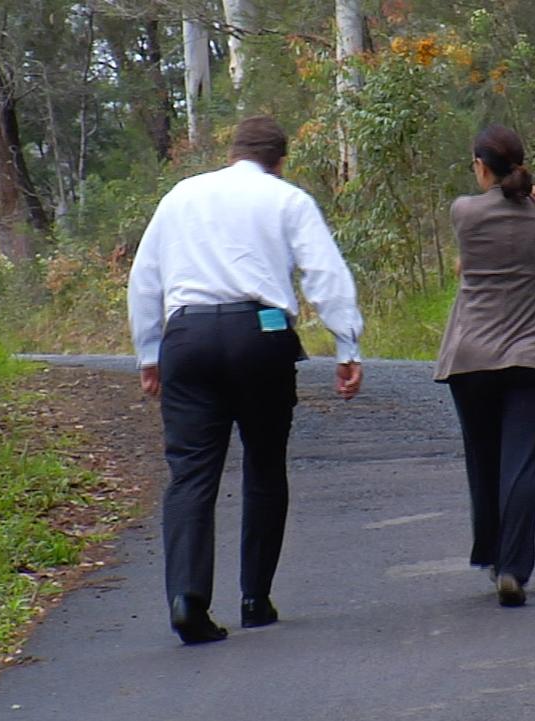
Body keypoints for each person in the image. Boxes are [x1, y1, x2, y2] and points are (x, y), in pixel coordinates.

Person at [127, 115, 364, 644]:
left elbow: (145, 278)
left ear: (232, 152)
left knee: (190, 472)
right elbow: (325, 274)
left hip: (185, 337)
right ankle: (255, 598)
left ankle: (188, 598)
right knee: (263, 461)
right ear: (279, 161)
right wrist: (346, 344)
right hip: (262, 334)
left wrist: (149, 354)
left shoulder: (181, 196)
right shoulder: (288, 200)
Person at [435, 124, 535, 608]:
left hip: (471, 359)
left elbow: (466, 268)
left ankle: (490, 555)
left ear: (481, 166)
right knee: (522, 464)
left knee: (484, 459)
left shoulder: (463, 212)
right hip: (533, 356)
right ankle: (513, 566)